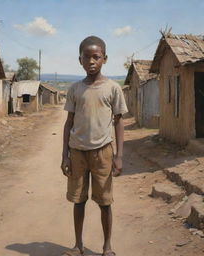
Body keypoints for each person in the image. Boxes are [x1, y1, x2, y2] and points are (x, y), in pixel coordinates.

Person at [61, 36, 128, 256]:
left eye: (96, 57)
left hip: (103, 153)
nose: (91, 61)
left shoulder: (112, 88)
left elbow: (119, 122)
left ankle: (107, 246)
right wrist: (65, 156)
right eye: (86, 57)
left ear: (104, 59)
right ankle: (78, 245)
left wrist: (118, 156)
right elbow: (68, 123)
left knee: (105, 202)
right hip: (78, 152)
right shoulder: (75, 89)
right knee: (78, 201)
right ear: (80, 60)